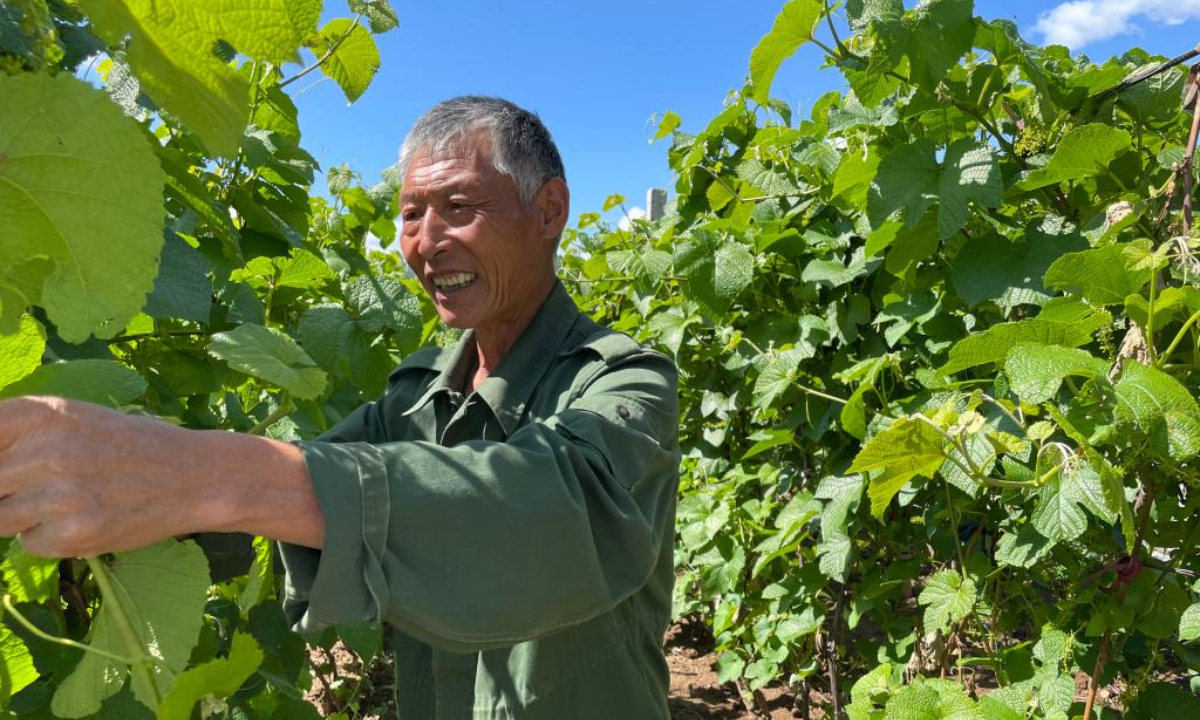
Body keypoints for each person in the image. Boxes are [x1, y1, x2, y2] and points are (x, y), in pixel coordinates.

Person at [0, 96, 681, 719]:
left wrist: (196, 473)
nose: (425, 241)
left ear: (550, 211)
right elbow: (299, 489)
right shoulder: (416, 396)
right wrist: (121, 492)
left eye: (459, 207)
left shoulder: (624, 384)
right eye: (411, 213)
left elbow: (552, 514)